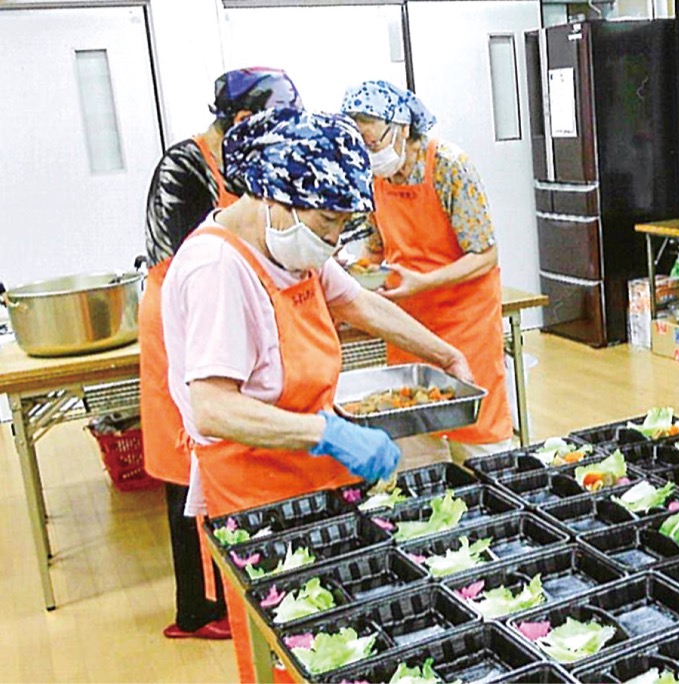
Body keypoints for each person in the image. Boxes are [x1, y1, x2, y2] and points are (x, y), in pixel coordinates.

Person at [160, 107, 473, 680]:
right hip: (257, 490)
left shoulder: (292, 248)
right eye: (326, 221)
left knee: (341, 644)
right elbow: (213, 405)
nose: (332, 240)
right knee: (291, 650)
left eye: (341, 224)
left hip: (314, 471)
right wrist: (327, 432)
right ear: (273, 197)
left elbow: (357, 301)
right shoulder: (217, 270)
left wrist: (441, 352)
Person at [140, 67, 301, 641]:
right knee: (194, 458)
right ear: (240, 120)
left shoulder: (247, 163)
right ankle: (201, 607)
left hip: (228, 304)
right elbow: (191, 257)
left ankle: (229, 593)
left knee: (219, 453)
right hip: (181, 317)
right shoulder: (185, 167)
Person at [340, 81, 513, 466]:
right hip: (406, 324)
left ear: (401, 128)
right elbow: (375, 247)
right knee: (413, 431)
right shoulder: (373, 179)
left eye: (371, 143)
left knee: (478, 437)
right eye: (360, 147)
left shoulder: (449, 167)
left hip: (464, 323)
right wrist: (359, 272)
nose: (368, 155)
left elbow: (484, 255)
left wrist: (424, 281)